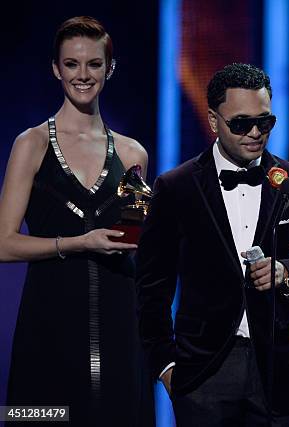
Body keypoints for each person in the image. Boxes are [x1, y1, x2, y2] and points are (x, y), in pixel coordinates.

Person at [135, 63, 289, 426]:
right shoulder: (177, 188)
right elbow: (152, 286)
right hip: (203, 371)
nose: (255, 133)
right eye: (241, 123)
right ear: (212, 120)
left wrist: (287, 274)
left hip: (277, 368)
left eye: (264, 122)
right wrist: (166, 366)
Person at [0, 16, 154, 425]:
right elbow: (3, 243)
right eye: (72, 64)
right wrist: (75, 244)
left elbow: (133, 238)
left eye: (93, 64)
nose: (83, 75)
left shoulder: (133, 153)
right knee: (39, 417)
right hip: (48, 323)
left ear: (110, 68)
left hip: (120, 321)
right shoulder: (30, 144)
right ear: (56, 69)